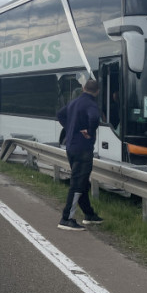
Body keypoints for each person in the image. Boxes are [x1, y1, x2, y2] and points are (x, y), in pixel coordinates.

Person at [55, 79, 104, 231]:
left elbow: (60, 115)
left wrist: (71, 127)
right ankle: (66, 218)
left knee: (81, 181)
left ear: (83, 88)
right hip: (83, 149)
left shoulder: (74, 102)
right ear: (97, 91)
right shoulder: (91, 104)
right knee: (77, 183)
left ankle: (89, 215)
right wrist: (89, 132)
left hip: (71, 147)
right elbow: (95, 118)